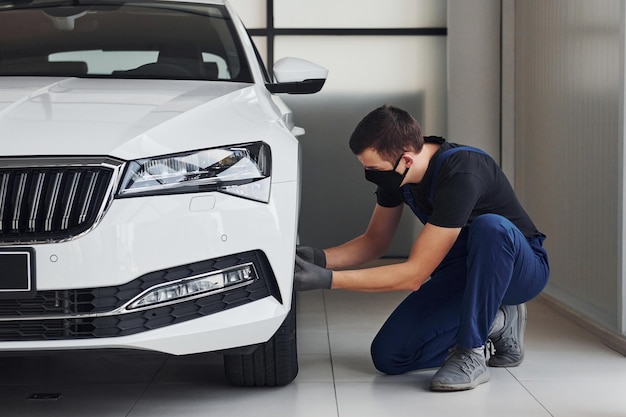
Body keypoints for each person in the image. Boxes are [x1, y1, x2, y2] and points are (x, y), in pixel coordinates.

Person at [294, 104, 550, 391]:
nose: (371, 175)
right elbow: (374, 242)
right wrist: (318, 258)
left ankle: (471, 352)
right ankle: (498, 323)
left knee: (491, 227)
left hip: (518, 272)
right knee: (390, 356)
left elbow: (414, 274)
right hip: (462, 274)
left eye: (374, 170)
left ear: (405, 159)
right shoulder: (397, 176)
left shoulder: (461, 172)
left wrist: (328, 281)